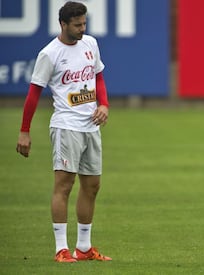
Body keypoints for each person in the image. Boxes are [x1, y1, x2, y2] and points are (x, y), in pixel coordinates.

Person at [16, 1, 111, 262]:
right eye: (77, 24)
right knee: (64, 185)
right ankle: (61, 249)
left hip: (91, 125)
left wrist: (103, 104)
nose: (82, 28)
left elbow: (98, 76)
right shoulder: (50, 53)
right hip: (66, 126)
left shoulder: (90, 44)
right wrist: (24, 131)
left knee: (92, 186)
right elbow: (33, 94)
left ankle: (83, 248)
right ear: (63, 24)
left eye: (84, 23)